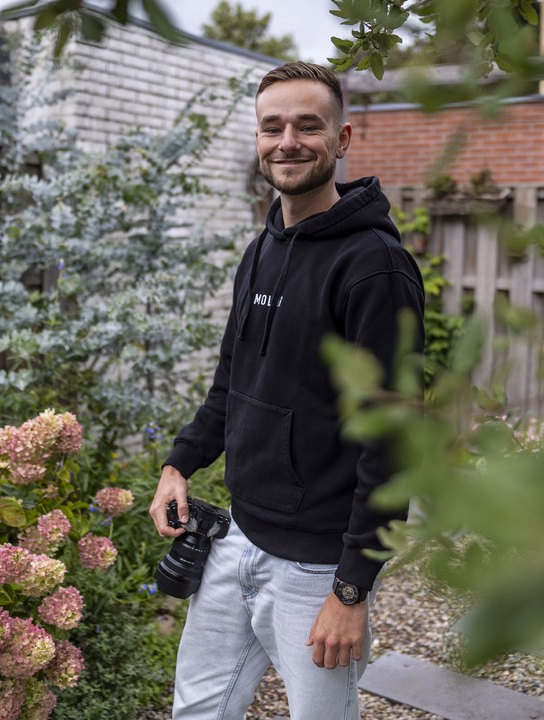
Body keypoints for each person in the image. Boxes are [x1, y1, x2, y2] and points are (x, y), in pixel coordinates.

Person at [149, 61, 425, 719]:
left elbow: (392, 442)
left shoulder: (375, 267)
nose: (288, 141)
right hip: (237, 535)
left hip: (315, 568)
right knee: (197, 709)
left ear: (344, 136)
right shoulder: (261, 251)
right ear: (257, 137)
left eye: (308, 125)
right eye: (272, 127)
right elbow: (231, 385)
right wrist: (177, 464)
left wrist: (352, 589)